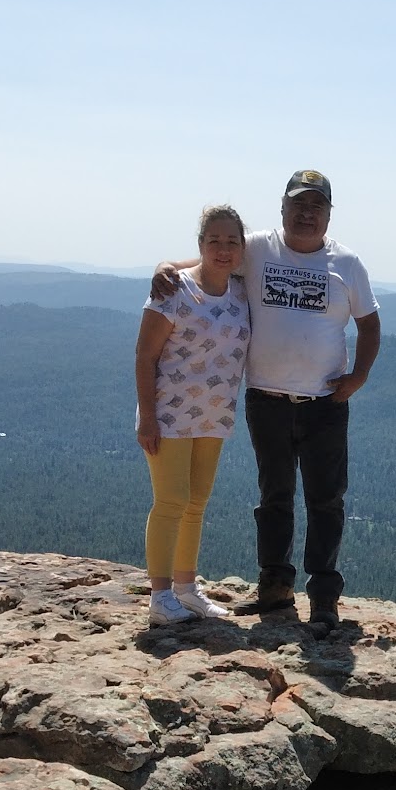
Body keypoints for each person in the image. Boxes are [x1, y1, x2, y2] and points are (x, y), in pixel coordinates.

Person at [154, 168, 381, 631]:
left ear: (329, 215)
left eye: (316, 206)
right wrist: (168, 268)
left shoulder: (348, 264)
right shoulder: (256, 248)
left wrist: (358, 376)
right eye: (299, 205)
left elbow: (369, 323)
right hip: (267, 399)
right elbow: (212, 261)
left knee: (325, 500)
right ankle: (275, 591)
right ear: (282, 209)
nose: (307, 214)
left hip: (325, 402)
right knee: (273, 497)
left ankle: (323, 599)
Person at [136, 204, 252, 626]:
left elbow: (229, 262)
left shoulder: (240, 287)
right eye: (213, 241)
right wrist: (147, 417)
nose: (223, 249)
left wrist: (169, 261)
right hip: (168, 413)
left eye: (231, 241)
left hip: (214, 414)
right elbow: (145, 355)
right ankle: (160, 596)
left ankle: (186, 590)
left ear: (242, 247)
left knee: (196, 503)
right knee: (170, 502)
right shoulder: (173, 290)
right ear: (200, 244)